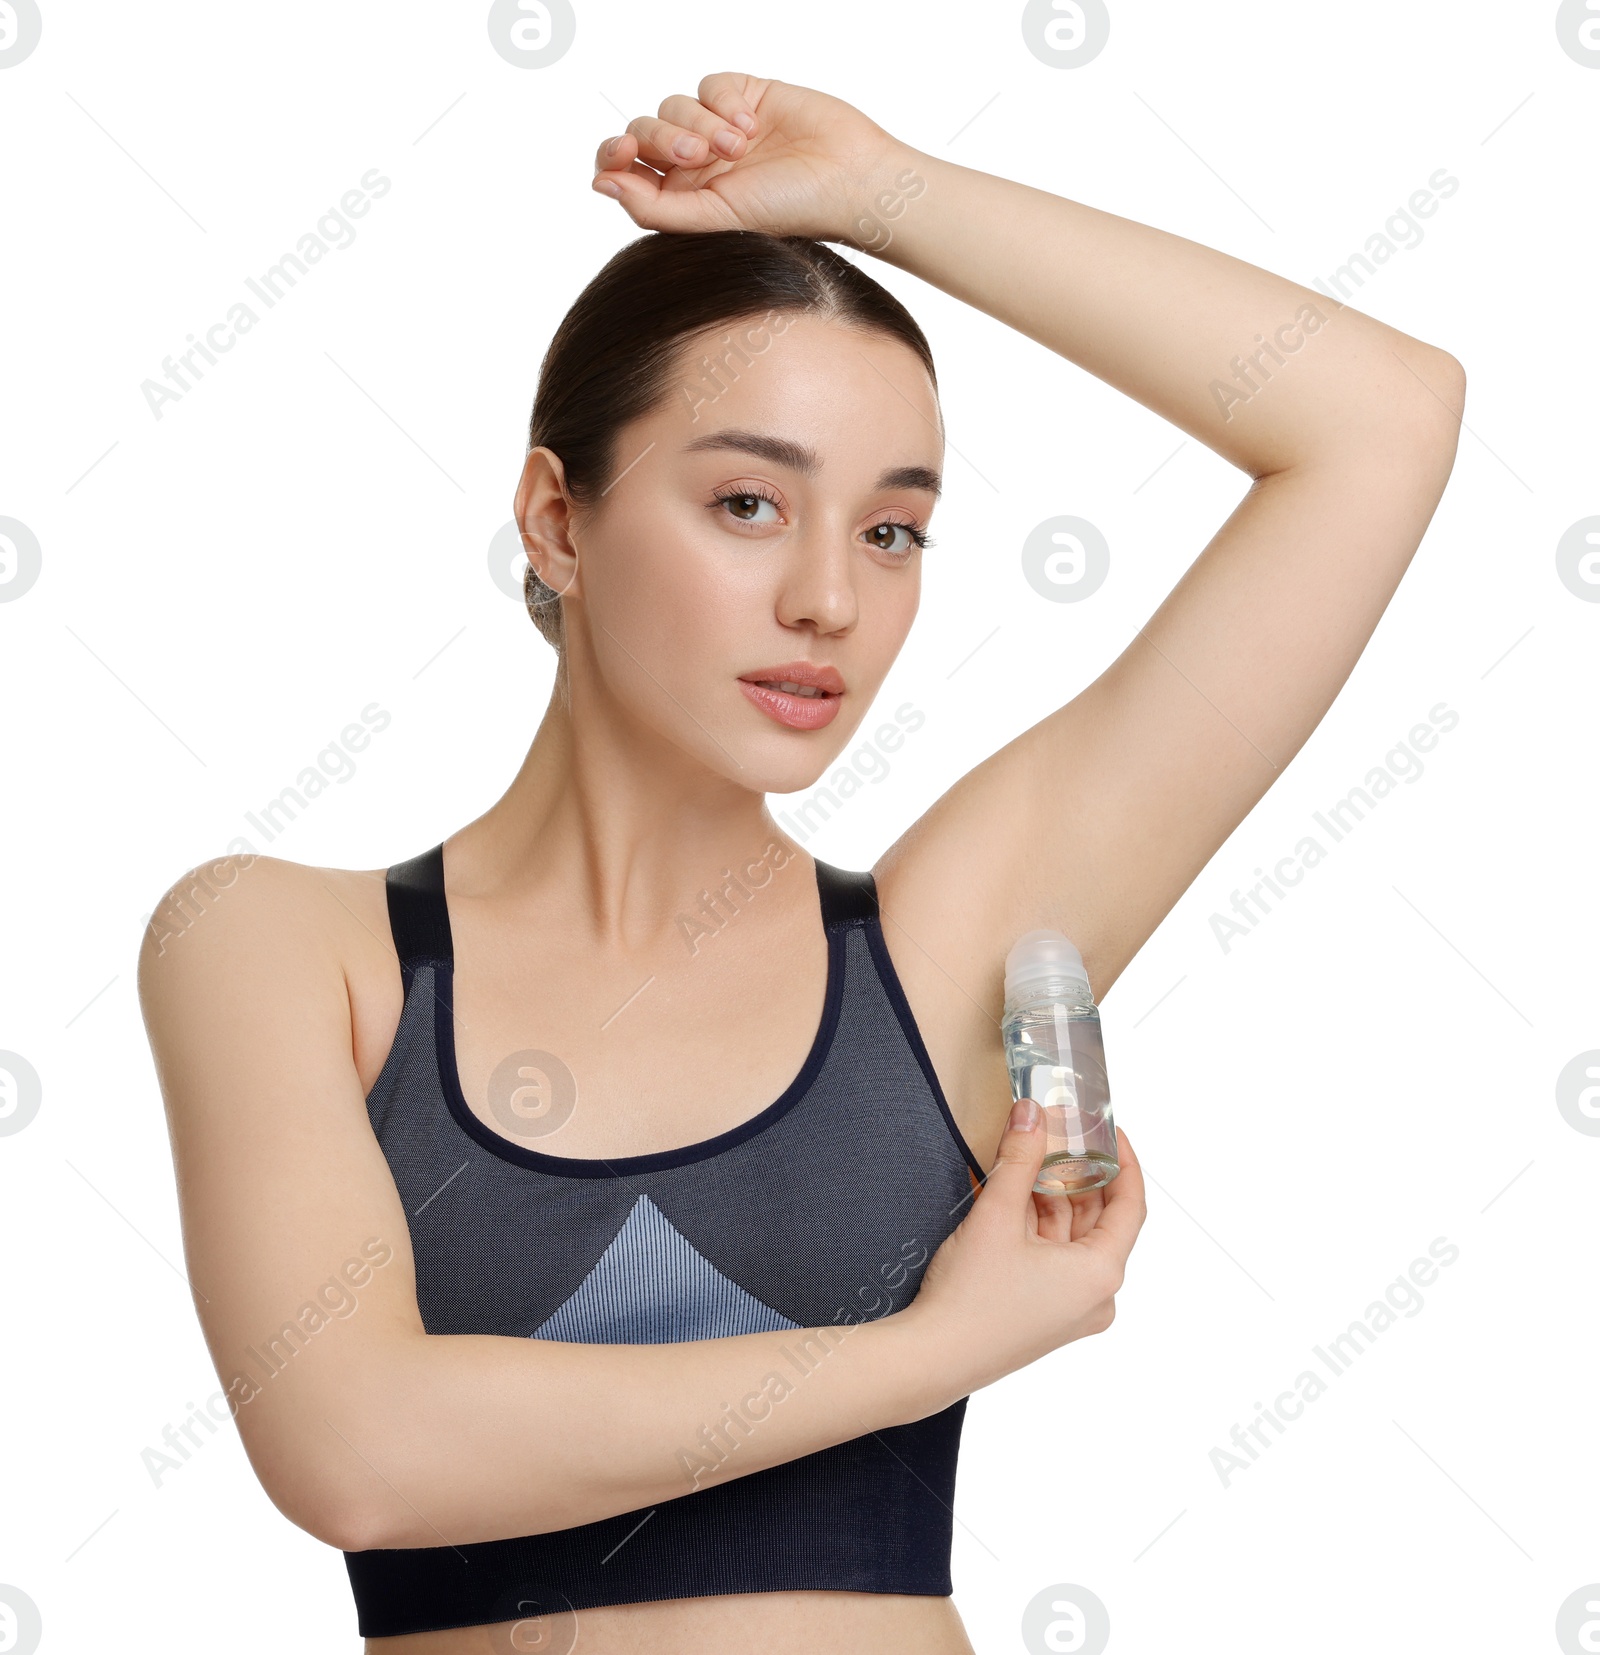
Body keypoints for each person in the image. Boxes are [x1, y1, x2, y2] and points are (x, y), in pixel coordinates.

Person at [137, 71, 1463, 1655]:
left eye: (893, 530)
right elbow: (355, 1452)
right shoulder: (283, 947)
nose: (830, 601)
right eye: (750, 503)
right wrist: (940, 1348)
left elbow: (1381, 420)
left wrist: (883, 194)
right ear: (558, 521)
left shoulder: (948, 947)